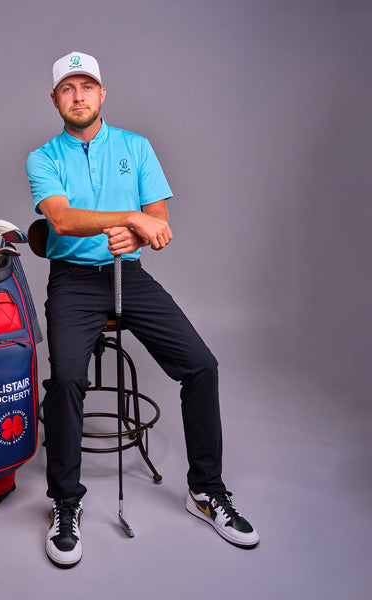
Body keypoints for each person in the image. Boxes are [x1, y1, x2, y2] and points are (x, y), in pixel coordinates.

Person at [26, 51, 259, 568]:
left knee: (202, 366)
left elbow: (159, 222)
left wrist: (131, 228)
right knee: (66, 379)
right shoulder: (43, 158)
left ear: (102, 94)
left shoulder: (137, 147)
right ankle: (65, 503)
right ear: (56, 100)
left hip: (128, 276)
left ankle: (206, 491)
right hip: (72, 282)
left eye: (87, 86)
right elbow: (60, 221)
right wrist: (128, 215)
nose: (79, 96)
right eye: (69, 89)